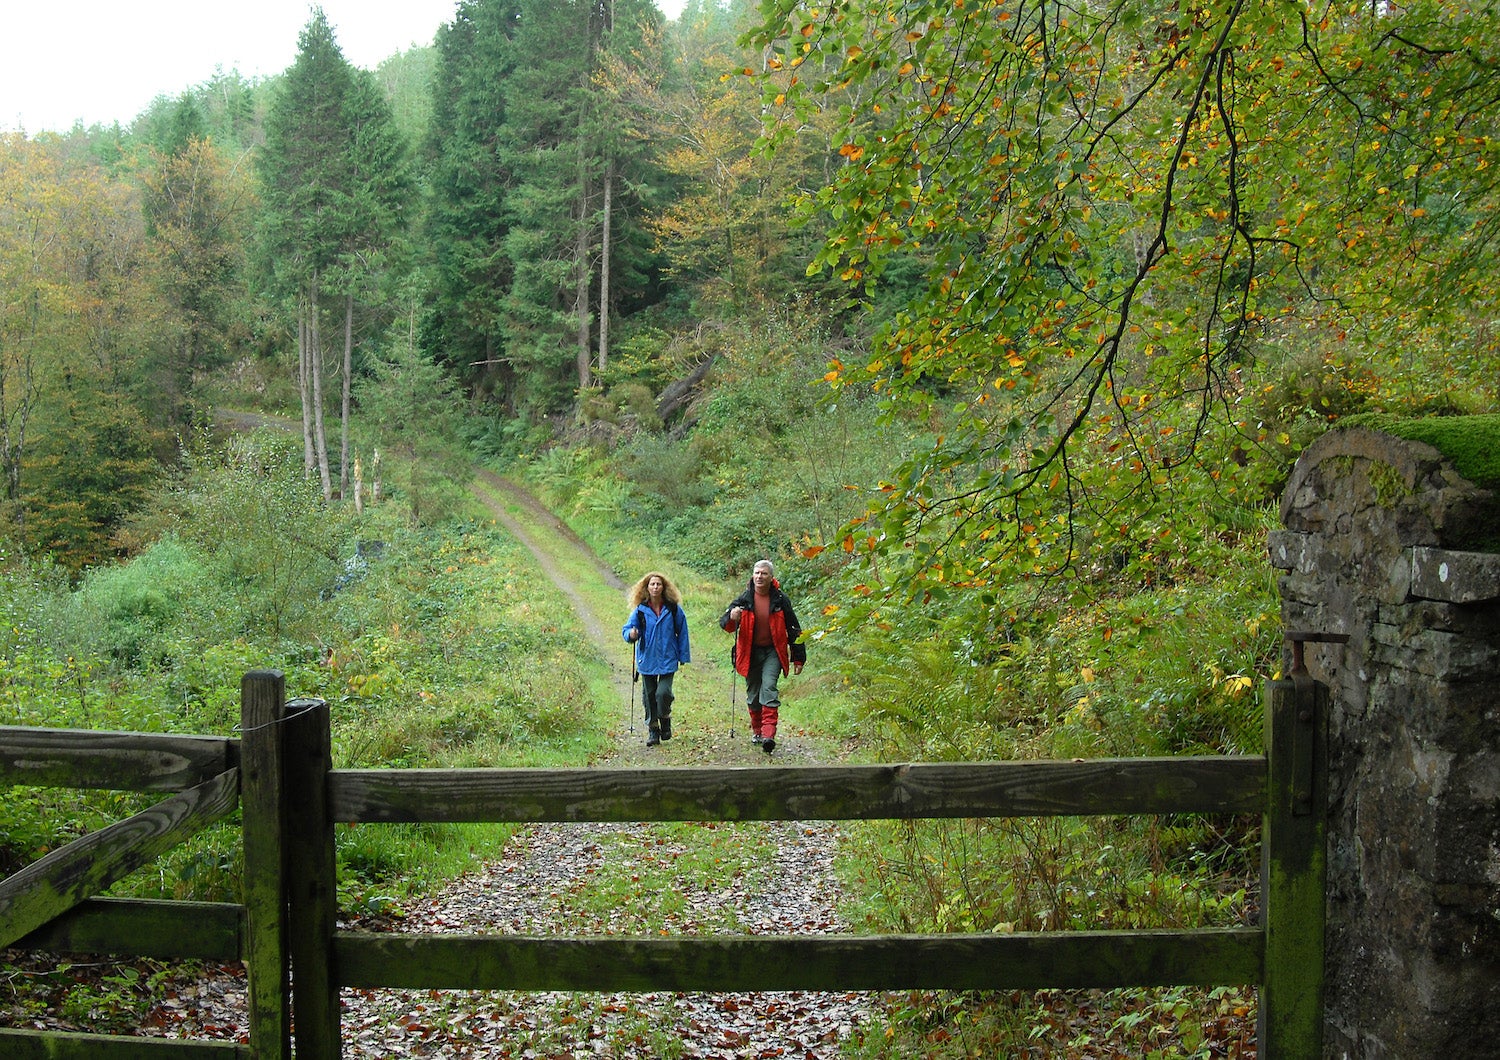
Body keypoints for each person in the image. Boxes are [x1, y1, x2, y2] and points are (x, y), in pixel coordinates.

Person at [719, 559, 804, 754]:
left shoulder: (781, 600)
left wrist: (798, 657)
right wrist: (732, 617)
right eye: (757, 573)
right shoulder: (744, 599)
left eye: (764, 573)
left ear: (771, 577)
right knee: (754, 695)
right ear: (752, 576)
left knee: (769, 688)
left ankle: (768, 735)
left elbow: (793, 629)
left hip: (773, 651)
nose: (759, 576)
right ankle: (757, 731)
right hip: (750, 652)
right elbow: (726, 625)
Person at [623, 571, 691, 747]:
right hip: (647, 658)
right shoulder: (640, 610)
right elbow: (628, 629)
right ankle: (653, 729)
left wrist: (683, 655)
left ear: (664, 587)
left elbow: (682, 632)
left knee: (663, 693)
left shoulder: (673, 608)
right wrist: (631, 634)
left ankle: (665, 718)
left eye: (658, 584)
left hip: (668, 657)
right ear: (646, 588)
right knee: (649, 696)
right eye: (652, 584)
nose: (655, 587)